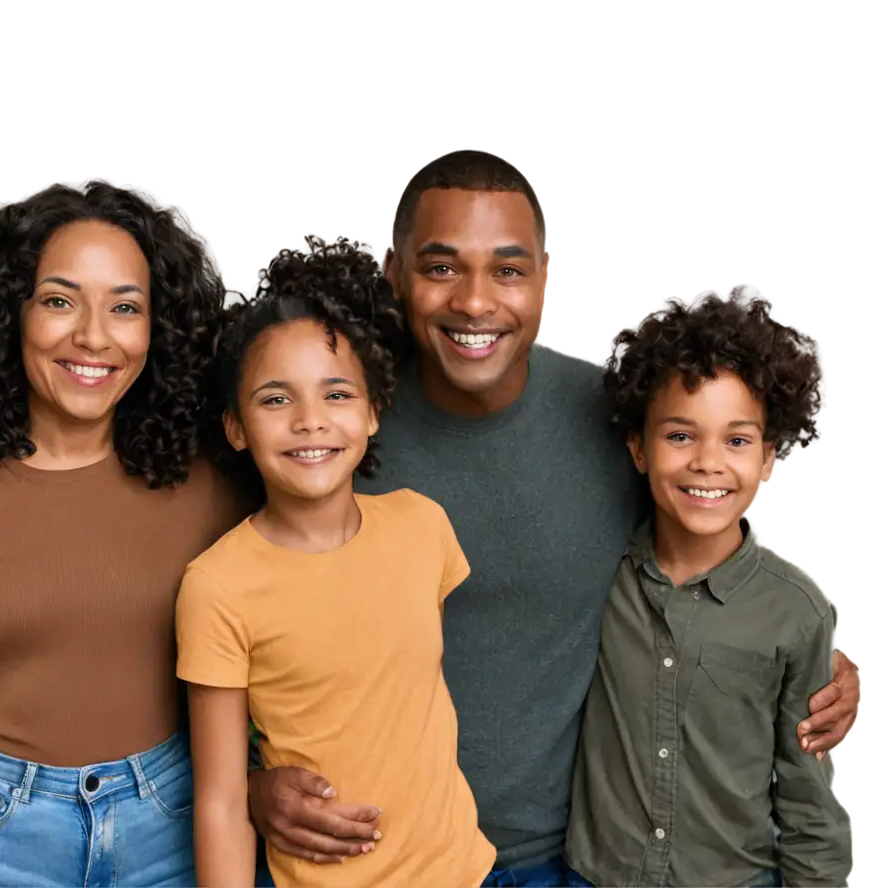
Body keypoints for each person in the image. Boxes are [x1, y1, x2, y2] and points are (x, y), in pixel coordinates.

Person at [244, 146, 860, 887]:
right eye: (441, 267)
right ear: (394, 274)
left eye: (507, 269)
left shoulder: (615, 414)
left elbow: (711, 539)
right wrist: (250, 782)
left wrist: (809, 663)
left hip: (564, 862)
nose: (475, 302)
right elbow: (237, 603)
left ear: (543, 281)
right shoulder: (331, 431)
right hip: (377, 860)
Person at [0, 184, 246, 888]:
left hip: (171, 823)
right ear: (10, 315)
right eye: (60, 300)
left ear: (156, 329)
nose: (94, 337)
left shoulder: (209, 480)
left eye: (125, 307)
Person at [175, 240, 497, 888]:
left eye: (336, 394)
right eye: (275, 400)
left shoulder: (423, 527)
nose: (309, 422)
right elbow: (219, 799)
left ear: (374, 410)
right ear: (236, 426)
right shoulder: (216, 587)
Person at [565, 295, 851, 888]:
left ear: (769, 457)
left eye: (738, 441)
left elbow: (806, 799)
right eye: (680, 436)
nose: (708, 463)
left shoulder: (795, 611)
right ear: (638, 449)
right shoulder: (597, 575)